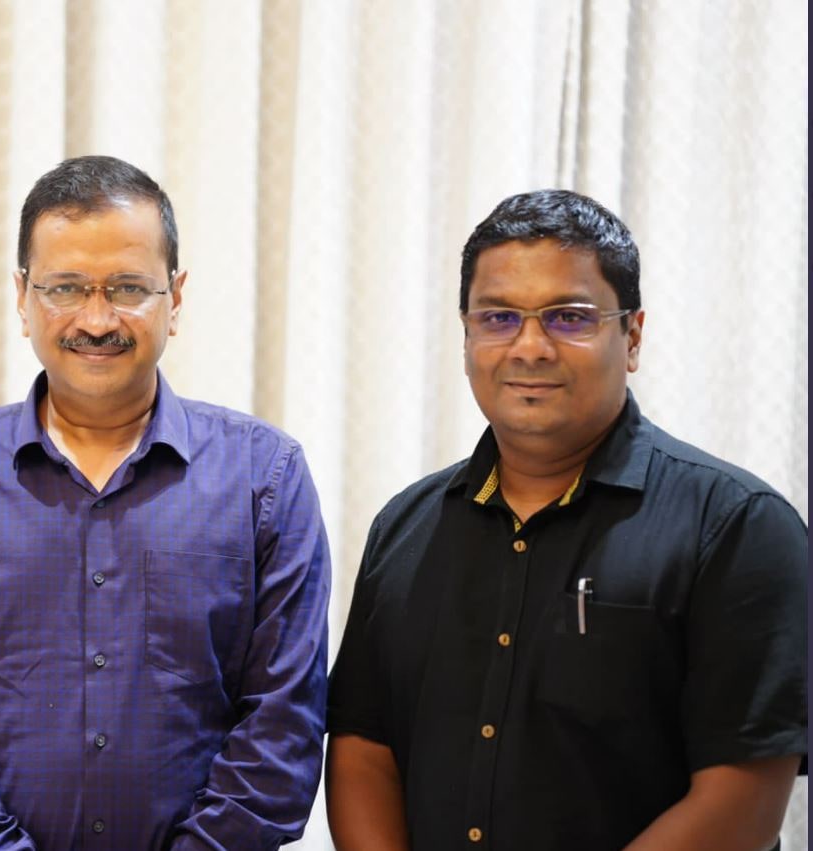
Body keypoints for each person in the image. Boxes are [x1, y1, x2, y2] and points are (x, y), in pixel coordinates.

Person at [324, 189, 807, 850]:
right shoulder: (405, 527)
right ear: (466, 334)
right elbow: (362, 747)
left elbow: (742, 795)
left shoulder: (736, 528)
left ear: (632, 335)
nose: (530, 347)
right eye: (497, 317)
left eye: (569, 318)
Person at [0, 155, 331, 849]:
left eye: (127, 287)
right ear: (22, 299)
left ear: (175, 298)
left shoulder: (266, 477)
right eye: (65, 288)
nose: (95, 318)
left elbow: (283, 728)